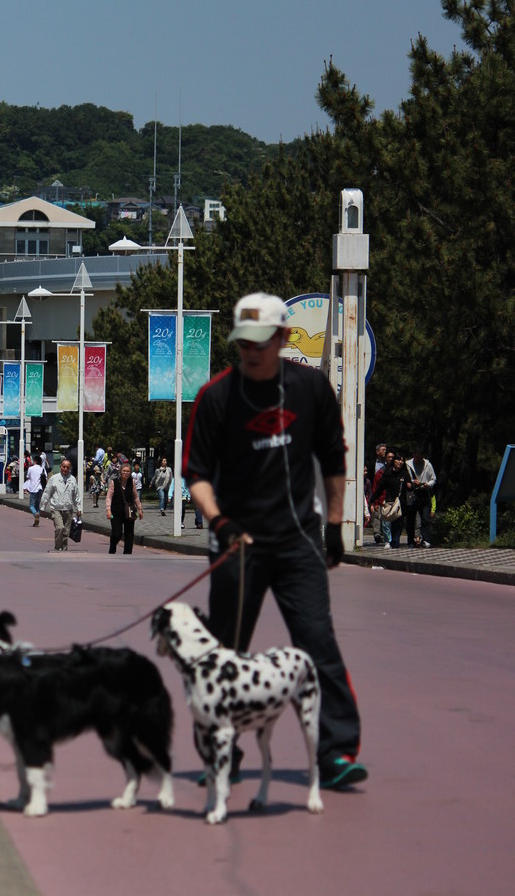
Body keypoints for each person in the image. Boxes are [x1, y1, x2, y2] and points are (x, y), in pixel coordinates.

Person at [184, 292, 367, 791]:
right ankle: (221, 754)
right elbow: (196, 474)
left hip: (297, 540)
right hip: (237, 542)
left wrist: (333, 525)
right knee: (225, 654)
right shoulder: (217, 396)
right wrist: (218, 523)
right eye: (243, 343)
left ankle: (336, 753)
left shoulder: (310, 390)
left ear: (283, 339)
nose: (251, 352)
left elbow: (333, 458)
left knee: (316, 644)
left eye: (261, 342)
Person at [370, 451, 412, 549]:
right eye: (398, 460)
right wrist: (373, 500)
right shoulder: (387, 473)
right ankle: (389, 541)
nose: (400, 462)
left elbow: (410, 487)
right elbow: (380, 488)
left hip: (401, 503)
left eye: (402, 460)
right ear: (394, 461)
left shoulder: (405, 474)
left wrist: (411, 486)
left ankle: (395, 541)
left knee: (399, 523)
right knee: (388, 522)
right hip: (390, 502)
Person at [40, 458, 81, 552]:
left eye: (67, 467)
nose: (65, 469)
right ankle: (58, 546)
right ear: (60, 467)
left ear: (70, 468)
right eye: (63, 467)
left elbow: (76, 495)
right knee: (60, 528)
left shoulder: (72, 479)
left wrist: (79, 508)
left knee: (66, 531)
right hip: (56, 508)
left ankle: (64, 548)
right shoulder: (54, 478)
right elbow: (47, 493)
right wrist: (43, 506)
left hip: (68, 508)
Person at [106, 462, 143, 554]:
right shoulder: (114, 482)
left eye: (128, 471)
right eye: (124, 471)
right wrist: (108, 510)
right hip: (116, 512)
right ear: (120, 472)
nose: (126, 473)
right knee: (116, 533)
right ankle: (112, 547)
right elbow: (109, 497)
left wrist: (140, 509)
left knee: (129, 534)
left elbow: (136, 497)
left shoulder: (132, 483)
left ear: (130, 472)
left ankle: (127, 553)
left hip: (129, 512)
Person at [406, 449, 437, 548]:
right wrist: (412, 482)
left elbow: (433, 479)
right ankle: (411, 541)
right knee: (411, 519)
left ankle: (426, 540)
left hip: (424, 493)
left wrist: (427, 484)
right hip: (412, 494)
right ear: (413, 455)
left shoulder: (428, 465)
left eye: (421, 458)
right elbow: (404, 478)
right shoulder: (407, 465)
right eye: (417, 457)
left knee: (425, 518)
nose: (419, 460)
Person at [23, 454, 44, 526]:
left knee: (32, 505)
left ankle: (36, 515)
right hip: (40, 488)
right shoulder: (42, 469)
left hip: (33, 489)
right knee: (37, 505)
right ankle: (37, 520)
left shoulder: (31, 468)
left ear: (35, 461)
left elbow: (28, 476)